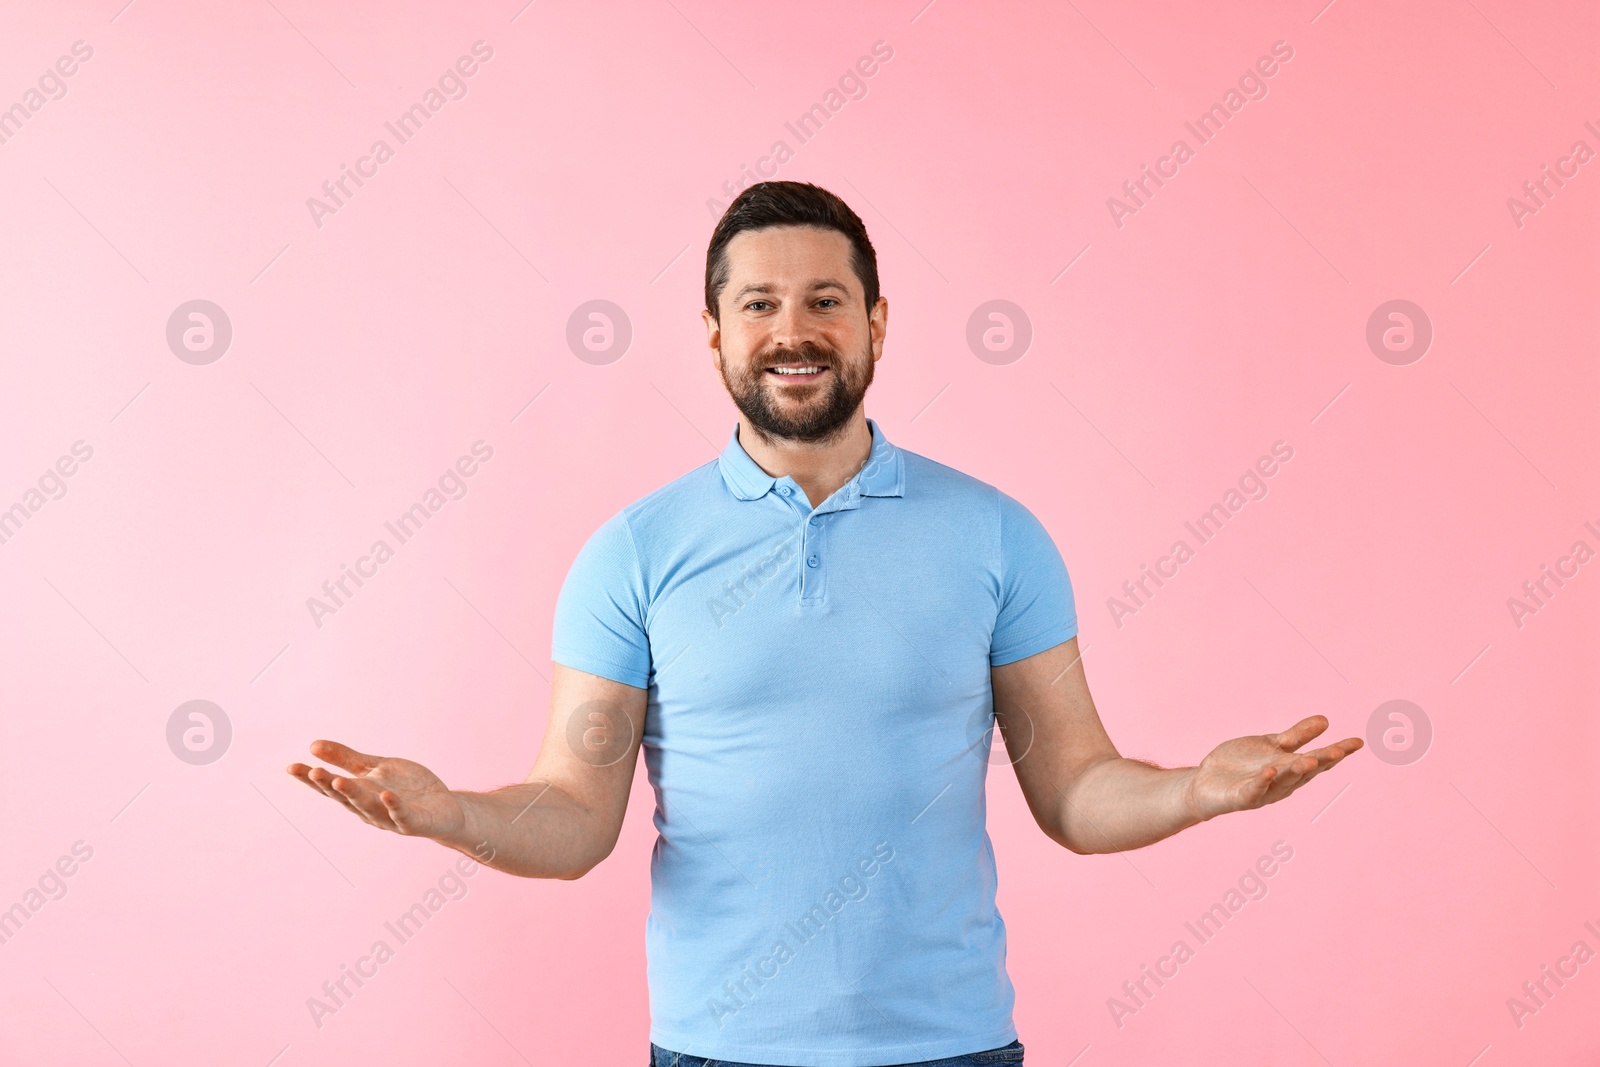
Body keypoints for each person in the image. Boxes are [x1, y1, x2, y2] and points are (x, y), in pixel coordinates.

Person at [287, 180, 1362, 1067]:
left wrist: (1194, 791)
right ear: (712, 333)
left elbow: (1076, 790)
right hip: (715, 1049)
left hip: (952, 1048)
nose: (790, 332)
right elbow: (574, 813)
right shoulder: (633, 552)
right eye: (756, 304)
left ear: (877, 322)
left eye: (824, 301)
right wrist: (446, 813)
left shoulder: (997, 536)